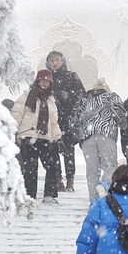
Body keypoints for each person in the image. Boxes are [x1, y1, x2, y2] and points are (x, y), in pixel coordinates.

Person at [69, 79, 127, 202]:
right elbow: (120, 114)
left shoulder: (83, 101)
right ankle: (105, 183)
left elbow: (73, 123)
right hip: (106, 134)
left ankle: (93, 202)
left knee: (92, 171)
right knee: (109, 165)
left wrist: (80, 136)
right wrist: (123, 124)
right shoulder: (111, 97)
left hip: (87, 137)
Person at [11, 70, 63, 203]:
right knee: (30, 168)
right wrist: (12, 131)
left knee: (52, 165)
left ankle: (49, 196)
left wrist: (58, 138)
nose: (44, 83)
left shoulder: (51, 100)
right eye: (42, 80)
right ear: (37, 81)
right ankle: (30, 197)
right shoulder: (27, 95)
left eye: (47, 81)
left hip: (45, 137)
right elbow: (17, 114)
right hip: (28, 135)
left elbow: (53, 122)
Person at [46, 50, 85, 192]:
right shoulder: (46, 79)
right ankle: (58, 180)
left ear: (62, 61)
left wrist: (68, 96)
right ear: (48, 63)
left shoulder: (72, 76)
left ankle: (70, 181)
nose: (54, 63)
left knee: (68, 151)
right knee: (53, 151)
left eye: (57, 59)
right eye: (51, 61)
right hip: (51, 122)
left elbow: (82, 96)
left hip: (67, 121)